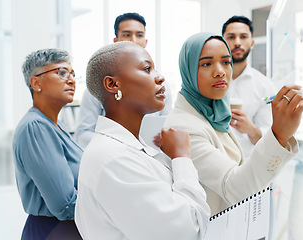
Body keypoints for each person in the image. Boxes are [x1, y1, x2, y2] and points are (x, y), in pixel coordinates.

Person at [75, 41, 209, 239]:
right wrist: (181, 158)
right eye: (147, 69)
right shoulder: (113, 159)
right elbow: (188, 230)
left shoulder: (129, 149)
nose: (160, 77)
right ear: (112, 84)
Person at [164, 32, 303, 215]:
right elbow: (233, 187)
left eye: (226, 62)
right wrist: (279, 134)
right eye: (207, 64)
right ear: (188, 70)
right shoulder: (184, 127)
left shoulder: (215, 113)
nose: (220, 72)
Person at [74, 12, 173, 149]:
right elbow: (83, 134)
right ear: (116, 41)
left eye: (139, 35)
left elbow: (167, 127)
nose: (134, 40)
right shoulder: (96, 88)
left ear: (145, 41)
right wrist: (125, 146)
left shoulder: (162, 87)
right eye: (127, 35)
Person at [13, 48, 83, 239]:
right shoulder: (36, 127)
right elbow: (65, 205)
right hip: (53, 231)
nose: (71, 80)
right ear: (36, 83)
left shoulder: (56, 125)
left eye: (73, 74)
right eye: (61, 72)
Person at [222, 15, 276, 158]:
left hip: (247, 167)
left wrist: (250, 129)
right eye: (231, 37)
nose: (237, 42)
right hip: (210, 163)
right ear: (222, 42)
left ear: (252, 43)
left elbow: (270, 140)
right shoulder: (207, 79)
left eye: (243, 36)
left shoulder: (264, 86)